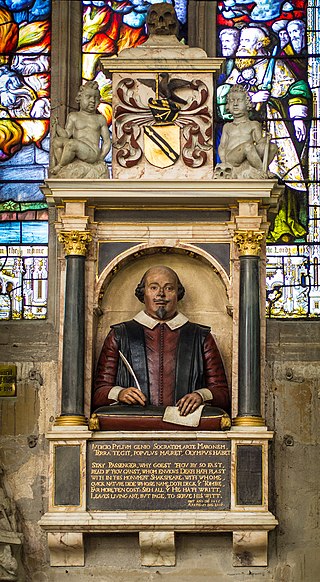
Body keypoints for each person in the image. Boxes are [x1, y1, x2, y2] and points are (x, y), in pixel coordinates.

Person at [93, 266, 230, 417]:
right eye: (153, 287)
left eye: (169, 288)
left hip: (185, 423)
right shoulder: (120, 334)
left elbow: (222, 394)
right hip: (136, 422)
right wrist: (120, 393)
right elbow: (99, 392)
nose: (161, 294)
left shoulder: (200, 336)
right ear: (142, 293)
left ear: (178, 294)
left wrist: (200, 396)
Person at [51, 80, 111, 175]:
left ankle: (61, 166)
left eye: (95, 98)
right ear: (80, 98)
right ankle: (66, 164)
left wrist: (101, 157)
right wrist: (56, 126)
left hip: (92, 153)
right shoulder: (73, 116)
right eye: (88, 97)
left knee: (72, 144)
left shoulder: (100, 119)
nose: (92, 100)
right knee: (57, 142)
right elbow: (66, 135)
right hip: (77, 149)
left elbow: (107, 141)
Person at [217, 85, 277, 178]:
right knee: (247, 146)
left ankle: (256, 167)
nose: (235, 104)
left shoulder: (254, 124)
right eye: (232, 101)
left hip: (249, 154)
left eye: (239, 100)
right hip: (232, 158)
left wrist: (266, 139)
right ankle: (262, 171)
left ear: (248, 103)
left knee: (272, 147)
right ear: (228, 105)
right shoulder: (227, 126)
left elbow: (259, 141)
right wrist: (224, 163)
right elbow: (222, 146)